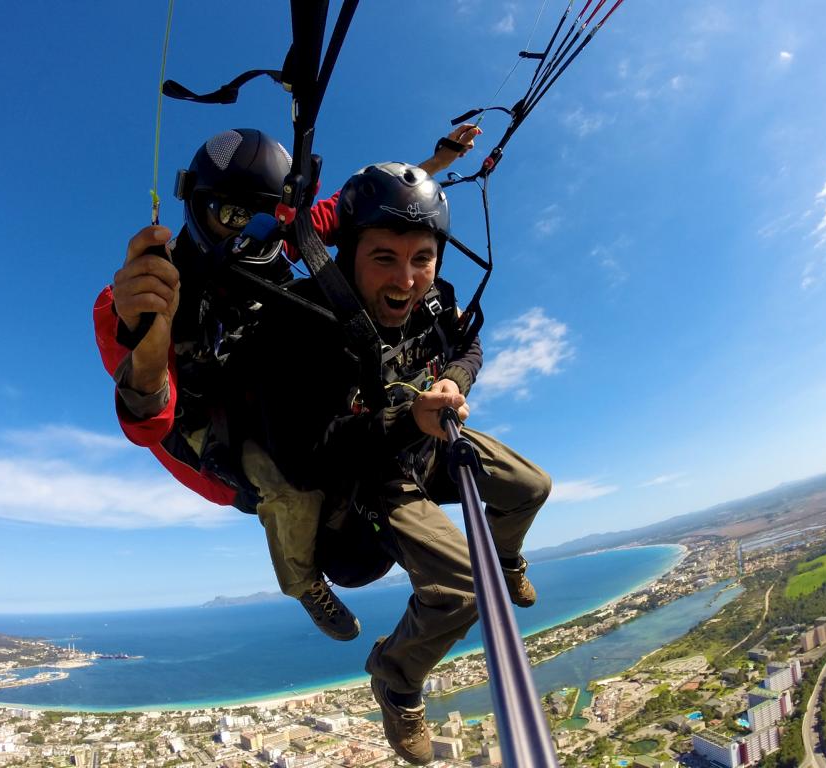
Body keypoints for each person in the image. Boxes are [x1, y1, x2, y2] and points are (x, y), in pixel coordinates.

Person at [94, 126, 481, 642]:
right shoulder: (143, 296)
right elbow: (148, 420)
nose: (247, 233)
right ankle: (303, 584)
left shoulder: (286, 234)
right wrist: (147, 336)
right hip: (206, 415)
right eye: (230, 215)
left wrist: (433, 164)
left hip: (264, 371)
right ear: (196, 202)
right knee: (288, 482)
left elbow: (363, 204)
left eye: (267, 216)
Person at [227, 162, 551, 764]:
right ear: (348, 251)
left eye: (422, 258)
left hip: (424, 438)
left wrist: (452, 381)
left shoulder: (433, 301)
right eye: (384, 258)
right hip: (366, 475)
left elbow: (468, 345)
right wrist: (409, 420)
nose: (406, 280)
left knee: (529, 486)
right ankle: (397, 678)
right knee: (461, 589)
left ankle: (504, 557)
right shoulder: (300, 324)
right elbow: (303, 459)